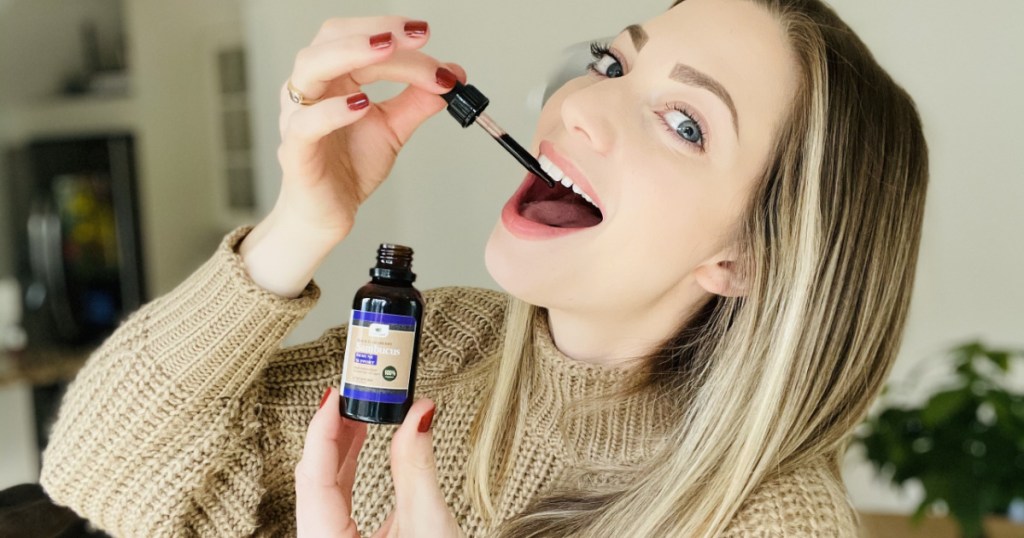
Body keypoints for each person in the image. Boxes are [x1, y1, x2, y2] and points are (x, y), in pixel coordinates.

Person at [37, 0, 929, 536]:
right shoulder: (439, 341)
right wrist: (297, 228)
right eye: (612, 61)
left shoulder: (767, 522)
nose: (582, 104)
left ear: (750, 256)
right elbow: (93, 482)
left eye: (685, 121)